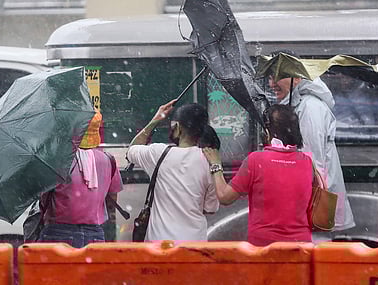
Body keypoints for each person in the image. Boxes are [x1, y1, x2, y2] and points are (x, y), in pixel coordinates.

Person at [268, 51, 355, 231]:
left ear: (297, 78)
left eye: (277, 76)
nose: (271, 84)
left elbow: (312, 161)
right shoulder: (298, 105)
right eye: (270, 77)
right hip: (308, 204)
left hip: (314, 207)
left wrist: (302, 205)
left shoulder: (309, 108)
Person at [203, 104, 313, 246]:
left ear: (267, 133)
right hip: (301, 246)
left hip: (264, 247)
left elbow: (224, 197)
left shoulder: (256, 160)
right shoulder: (307, 162)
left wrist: (215, 164)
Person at [126, 99, 219, 241]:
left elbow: (131, 151)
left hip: (160, 245)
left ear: (178, 128)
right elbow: (210, 208)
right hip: (194, 245)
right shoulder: (210, 161)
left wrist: (156, 119)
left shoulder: (158, 154)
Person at [38, 111, 123, 248]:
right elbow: (111, 201)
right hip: (95, 235)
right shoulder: (108, 160)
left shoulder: (58, 160)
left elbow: (44, 196)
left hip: (58, 234)